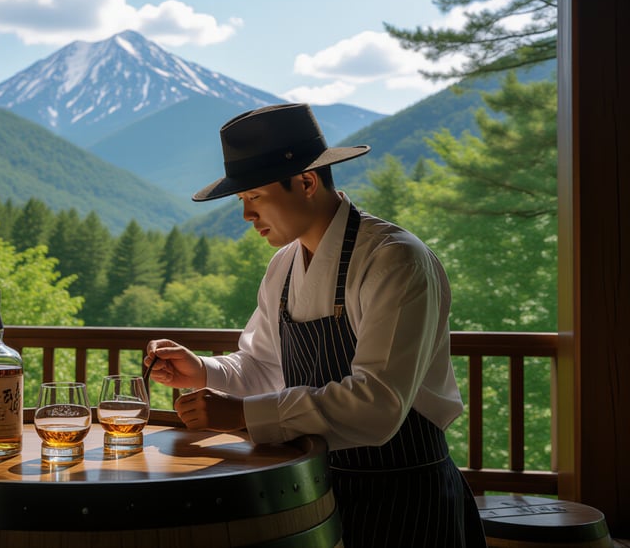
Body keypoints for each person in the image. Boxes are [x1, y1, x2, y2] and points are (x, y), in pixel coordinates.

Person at [145, 103, 487, 548]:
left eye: (254, 197)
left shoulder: (394, 259)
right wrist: (205, 372)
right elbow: (264, 366)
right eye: (243, 201)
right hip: (314, 492)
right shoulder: (284, 265)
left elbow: (377, 403)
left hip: (405, 496)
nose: (247, 215)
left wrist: (244, 415)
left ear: (306, 182)